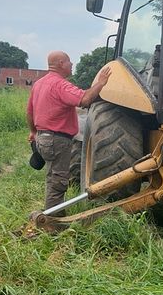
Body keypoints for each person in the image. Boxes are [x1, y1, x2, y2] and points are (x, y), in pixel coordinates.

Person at [26, 51, 111, 211]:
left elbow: (30, 112)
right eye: (69, 61)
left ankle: (52, 212)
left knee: (52, 177)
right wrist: (101, 83)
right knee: (58, 181)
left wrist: (33, 132)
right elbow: (84, 99)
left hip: (43, 138)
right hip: (57, 140)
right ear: (61, 64)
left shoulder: (39, 84)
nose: (72, 64)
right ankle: (53, 218)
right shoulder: (60, 85)